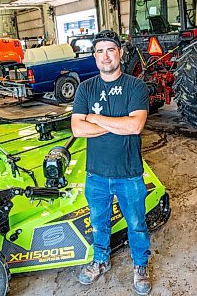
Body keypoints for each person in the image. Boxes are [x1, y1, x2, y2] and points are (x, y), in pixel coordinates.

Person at [71, 30, 150, 295]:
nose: (105, 56)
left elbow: (135, 125)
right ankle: (100, 260)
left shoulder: (135, 86)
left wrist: (95, 118)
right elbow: (77, 130)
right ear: (94, 56)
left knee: (137, 224)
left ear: (120, 53)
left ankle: (140, 265)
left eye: (111, 50)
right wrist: (118, 124)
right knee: (98, 223)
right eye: (100, 51)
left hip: (129, 174)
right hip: (96, 175)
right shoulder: (86, 88)